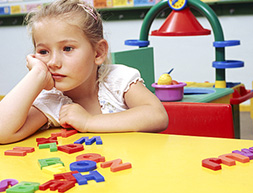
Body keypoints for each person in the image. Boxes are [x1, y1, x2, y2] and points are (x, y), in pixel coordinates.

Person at [0, 0, 168, 144]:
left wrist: (89, 121)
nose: (53, 62)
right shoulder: (52, 100)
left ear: (98, 52)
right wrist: (36, 74)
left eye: (67, 48)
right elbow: (2, 131)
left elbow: (157, 115)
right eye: (43, 52)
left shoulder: (117, 80)